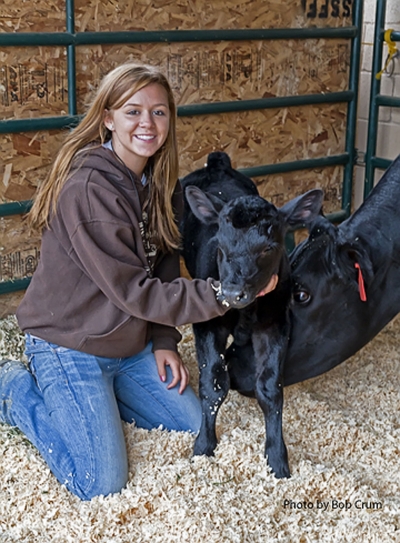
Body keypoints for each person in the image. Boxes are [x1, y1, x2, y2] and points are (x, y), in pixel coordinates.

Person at [0, 62, 278, 501]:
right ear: (107, 118)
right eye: (133, 112)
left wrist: (165, 341)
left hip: (126, 346)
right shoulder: (89, 189)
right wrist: (223, 294)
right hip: (68, 343)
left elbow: (165, 257)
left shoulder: (154, 181)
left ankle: (100, 403)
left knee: (191, 423)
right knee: (99, 484)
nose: (147, 123)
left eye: (159, 112)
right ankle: (14, 390)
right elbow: (137, 292)